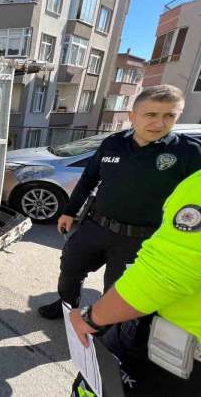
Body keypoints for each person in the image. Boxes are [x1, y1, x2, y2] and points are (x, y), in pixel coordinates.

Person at [38, 84, 201, 319]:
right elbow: (89, 178)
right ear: (132, 116)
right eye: (151, 114)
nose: (160, 123)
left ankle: (107, 327)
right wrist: (69, 211)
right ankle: (66, 305)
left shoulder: (190, 153)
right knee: (70, 270)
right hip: (95, 227)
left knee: (119, 290)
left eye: (170, 116)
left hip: (141, 238)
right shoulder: (113, 143)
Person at [69, 169, 201, 396]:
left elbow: (164, 275)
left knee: (94, 388)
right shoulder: (114, 144)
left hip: (170, 352)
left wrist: (91, 318)